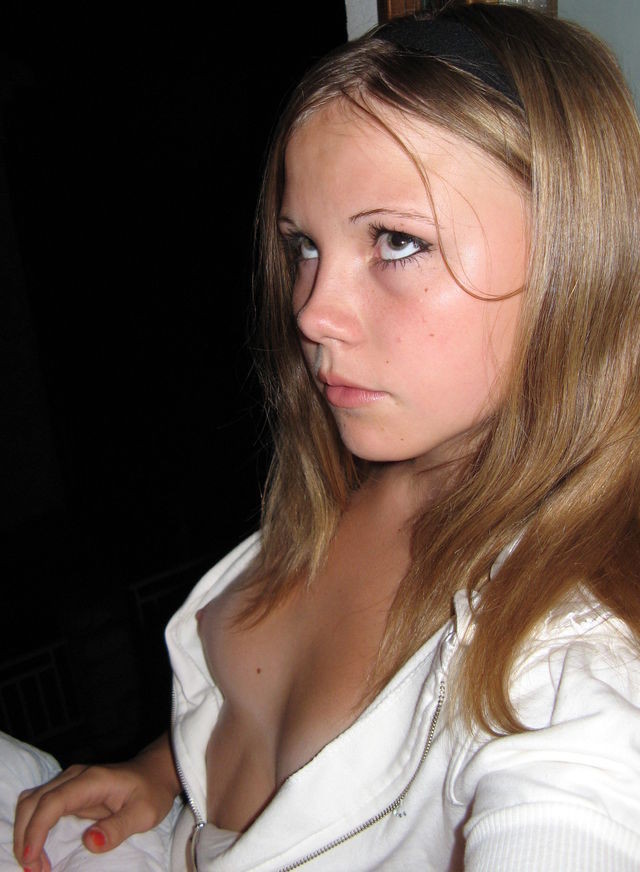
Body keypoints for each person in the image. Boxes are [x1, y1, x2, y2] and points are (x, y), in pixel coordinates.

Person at [9, 2, 640, 869]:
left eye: (396, 241)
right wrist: (165, 774)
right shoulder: (366, 474)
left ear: (577, 259)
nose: (311, 312)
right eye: (302, 245)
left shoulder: (574, 657)